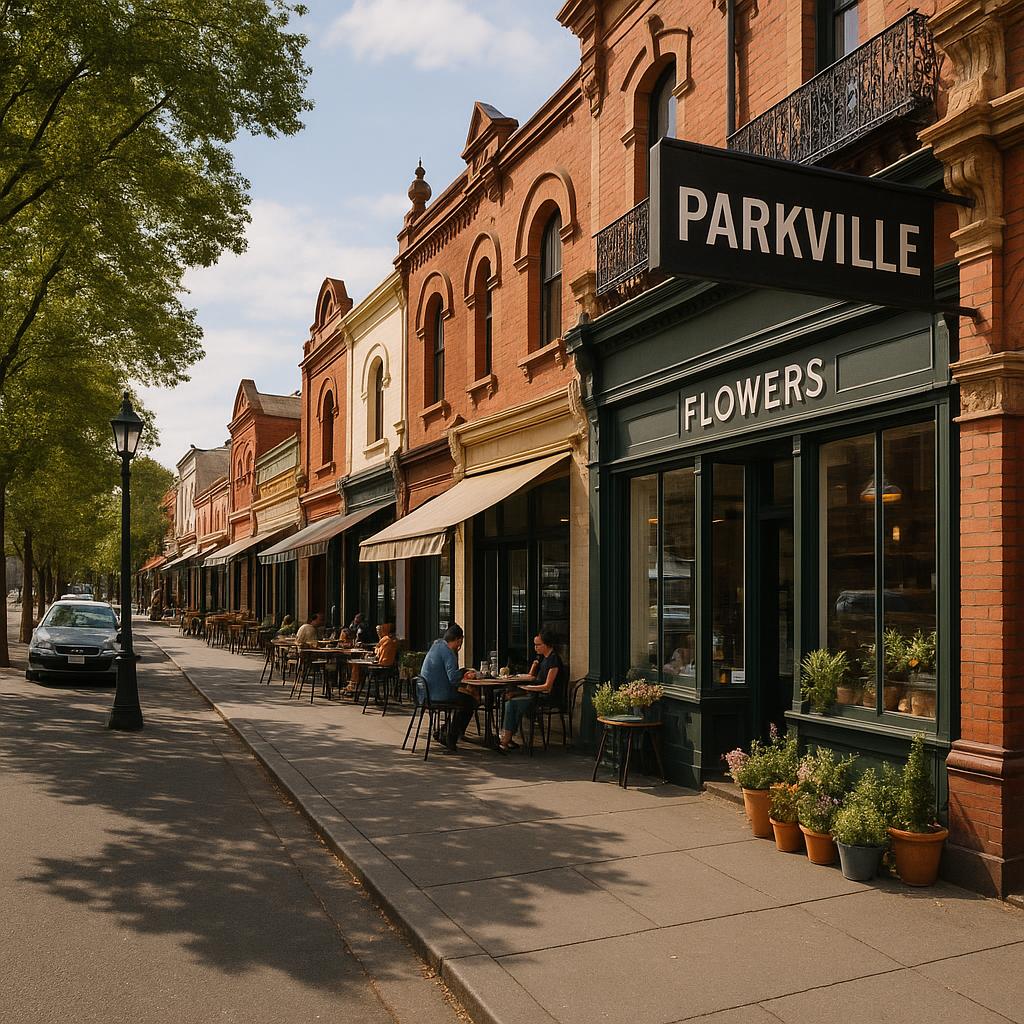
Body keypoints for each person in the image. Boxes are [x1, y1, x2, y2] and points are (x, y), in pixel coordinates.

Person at [497, 628, 567, 753]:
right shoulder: (543, 658)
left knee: (511, 704)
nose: (535, 648)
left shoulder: (554, 660)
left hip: (545, 697)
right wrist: (534, 666)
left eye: (538, 645)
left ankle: (505, 739)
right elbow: (533, 676)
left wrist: (527, 688)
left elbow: (547, 686)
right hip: (535, 694)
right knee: (508, 696)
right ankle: (509, 736)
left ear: (546, 644)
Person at [419, 624, 478, 752]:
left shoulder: (436, 646)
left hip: (426, 694)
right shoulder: (448, 653)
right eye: (460, 642)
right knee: (469, 702)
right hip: (439, 694)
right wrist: (464, 672)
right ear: (458, 640)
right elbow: (453, 678)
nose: (460, 646)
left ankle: (444, 731)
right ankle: (451, 736)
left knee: (463, 699)